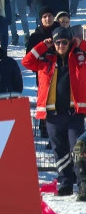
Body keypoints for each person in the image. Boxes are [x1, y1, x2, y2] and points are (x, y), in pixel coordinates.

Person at [23, 28, 86, 196]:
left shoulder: (79, 57)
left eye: (64, 42)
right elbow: (27, 62)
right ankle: (65, 182)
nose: (60, 45)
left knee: (78, 148)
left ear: (70, 42)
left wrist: (81, 44)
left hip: (75, 113)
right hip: (52, 114)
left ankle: (82, 184)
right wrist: (44, 45)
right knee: (59, 149)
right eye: (57, 42)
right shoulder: (46, 59)